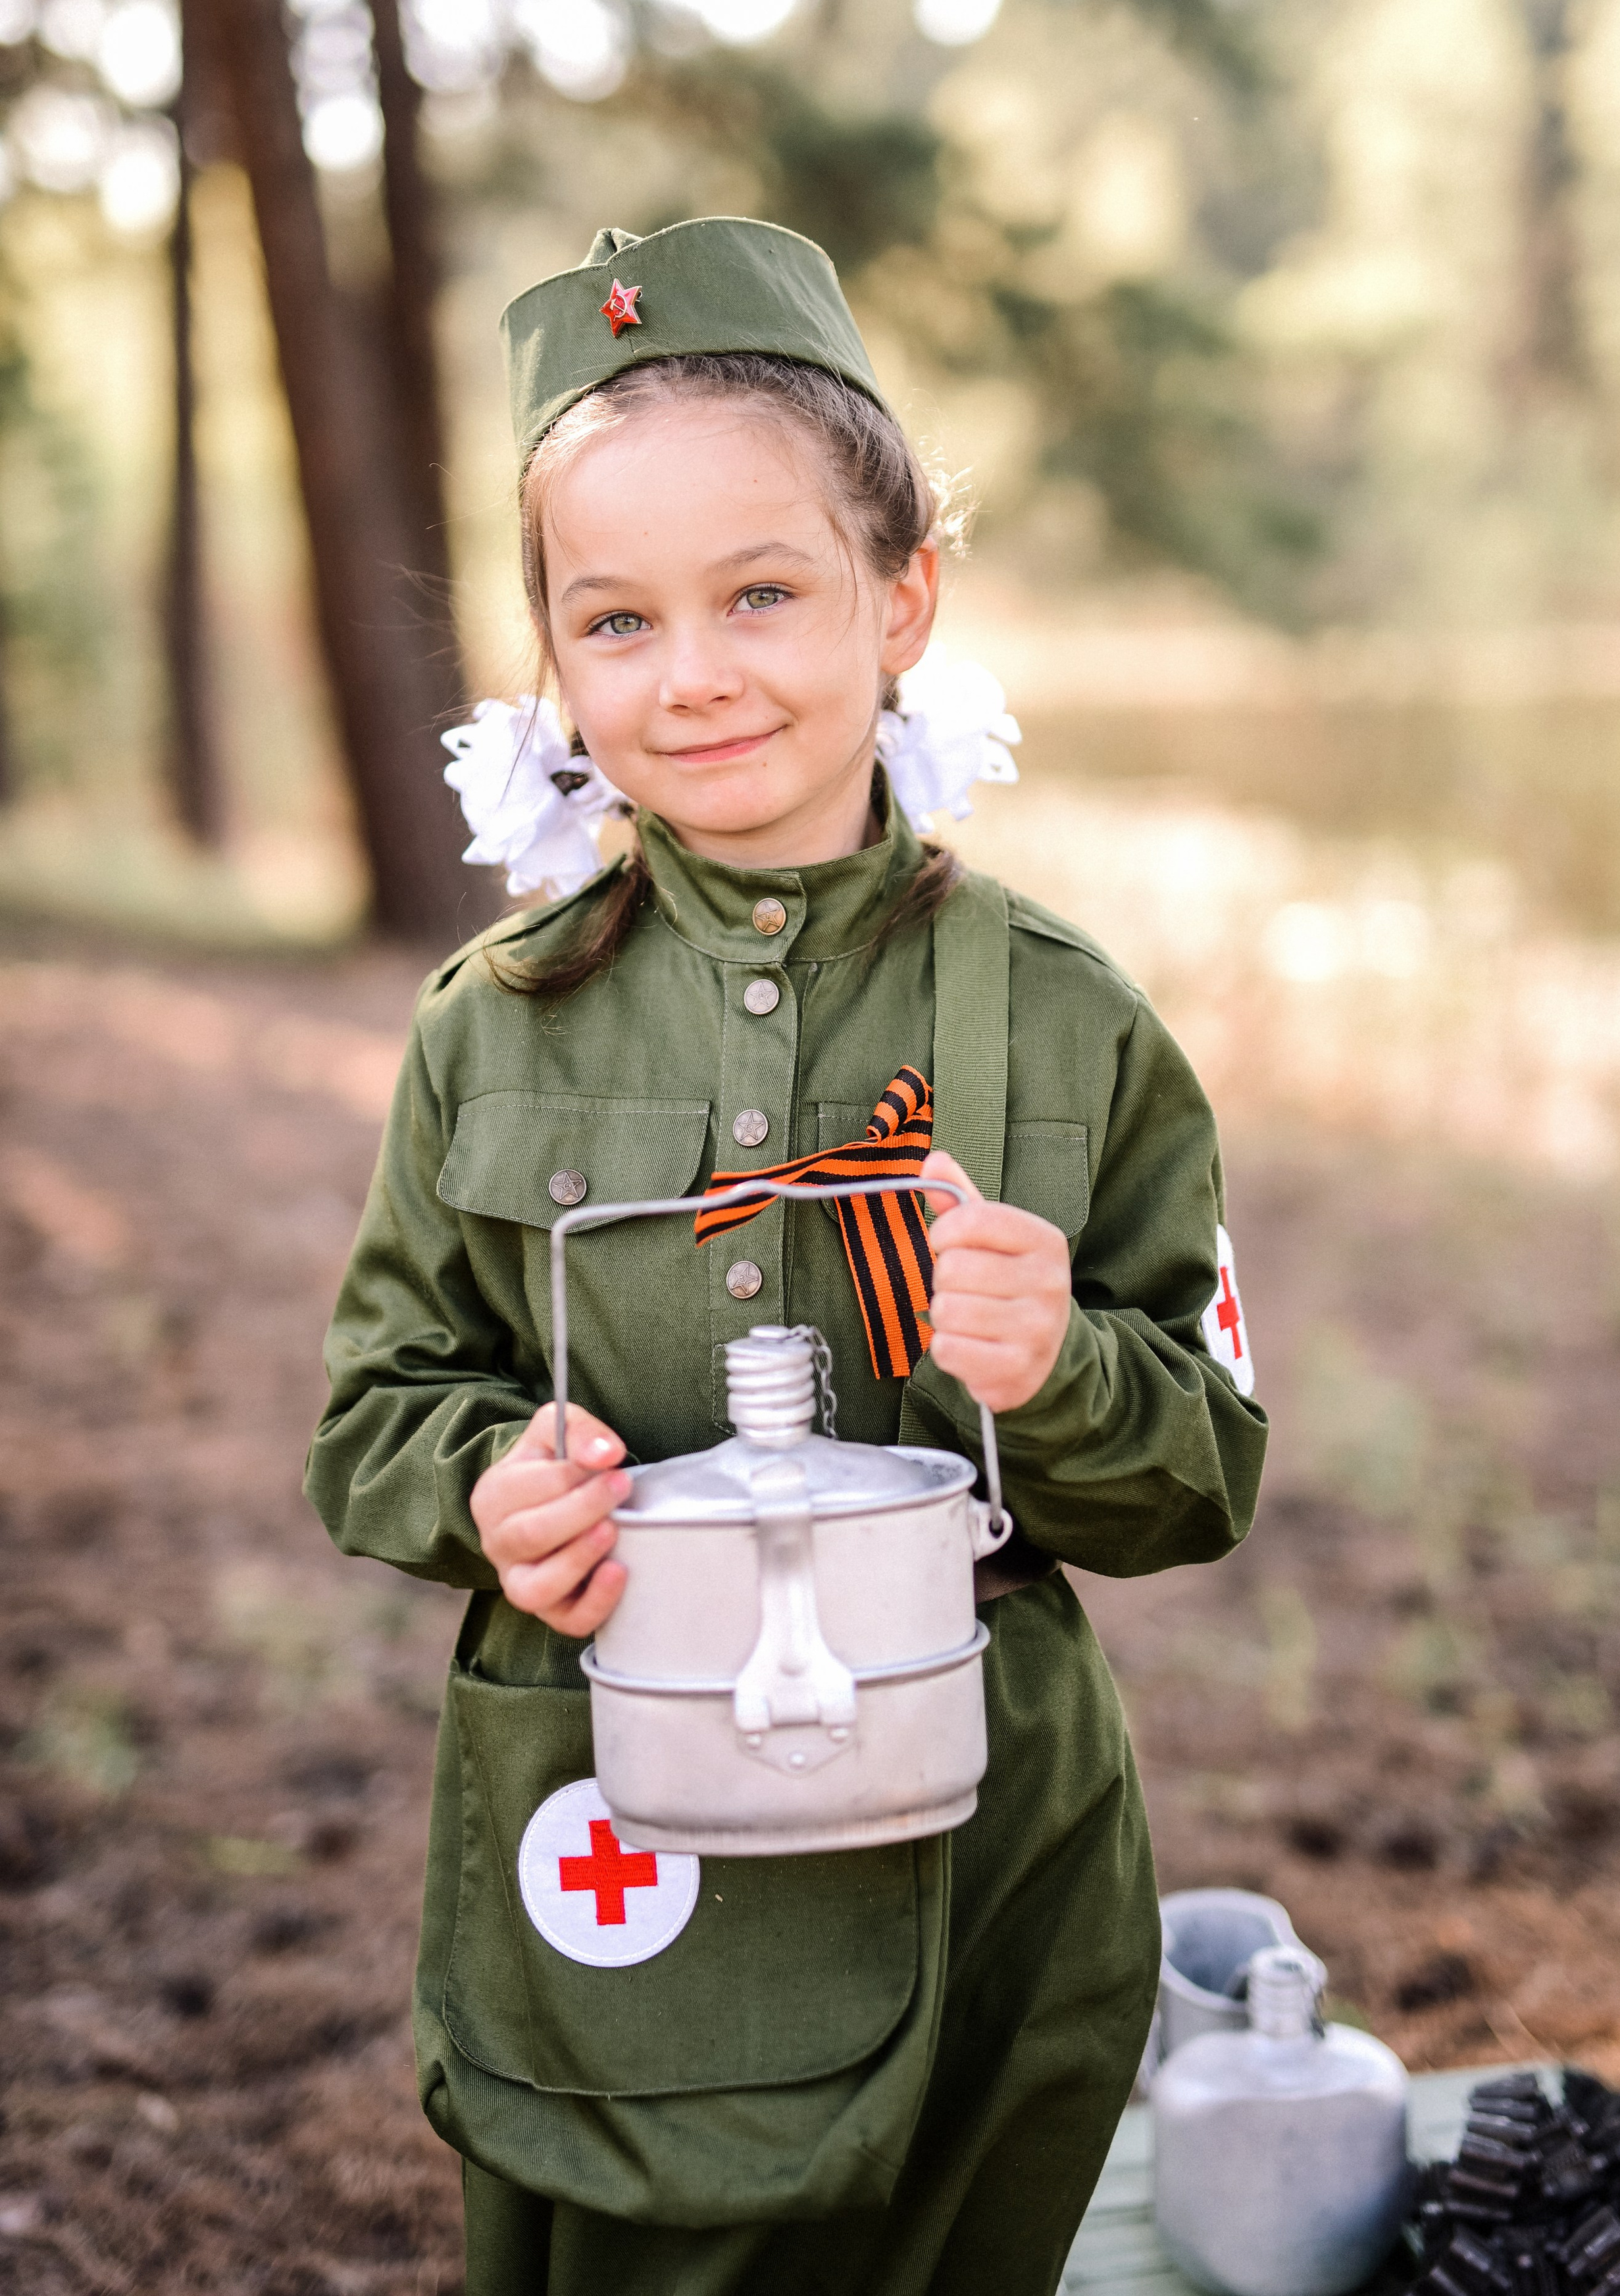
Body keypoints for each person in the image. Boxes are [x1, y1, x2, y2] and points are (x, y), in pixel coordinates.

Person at [306, 216, 1267, 2296]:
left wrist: (1063, 1370)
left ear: (902, 596)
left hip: (985, 1839)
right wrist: (491, 1490)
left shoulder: (1070, 1022)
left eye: (763, 591)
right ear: (551, 657)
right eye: (618, 616)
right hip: (622, 1815)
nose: (698, 669)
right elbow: (377, 1408)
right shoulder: (494, 1019)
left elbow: (1209, 1463)